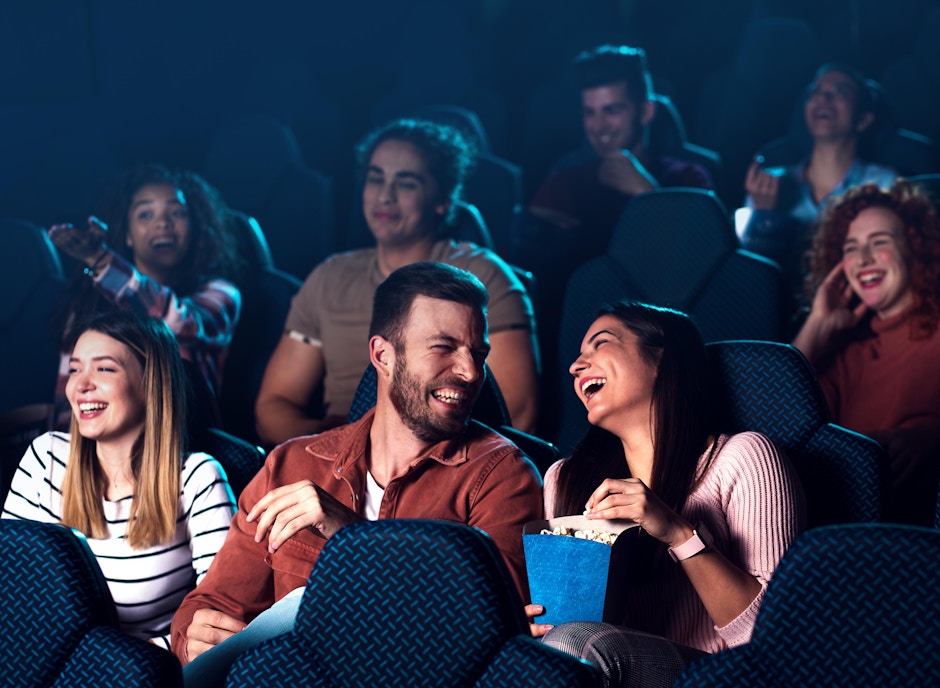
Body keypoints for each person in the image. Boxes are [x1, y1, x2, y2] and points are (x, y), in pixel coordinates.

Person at [173, 262, 543, 680]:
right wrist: (195, 635)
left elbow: (490, 640)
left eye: (478, 354)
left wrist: (354, 539)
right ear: (383, 355)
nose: (471, 372)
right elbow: (209, 606)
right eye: (444, 347)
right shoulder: (291, 464)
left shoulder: (502, 475)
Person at [529, 300, 804, 688]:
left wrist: (678, 532)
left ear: (661, 359)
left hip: (722, 678)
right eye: (577, 355)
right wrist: (536, 623)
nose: (576, 365)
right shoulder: (564, 479)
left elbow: (775, 640)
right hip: (606, 673)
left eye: (600, 344)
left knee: (575, 643)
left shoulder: (743, 458)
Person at [255, 118, 539, 444]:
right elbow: (274, 406)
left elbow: (518, 416)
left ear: (442, 200)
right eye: (376, 179)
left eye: (406, 183)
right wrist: (335, 446)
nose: (385, 196)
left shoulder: (483, 277)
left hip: (446, 462)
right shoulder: (329, 277)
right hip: (338, 458)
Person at [792, 179, 940, 524]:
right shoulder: (847, 354)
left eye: (880, 242)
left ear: (917, 250)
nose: (864, 259)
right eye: (851, 248)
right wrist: (818, 323)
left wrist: (932, 437)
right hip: (851, 526)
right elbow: (776, 419)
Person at [2, 311, 236, 649]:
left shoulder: (197, 477)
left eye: (104, 368)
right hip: (50, 664)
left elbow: (218, 624)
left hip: (146, 673)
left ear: (151, 381)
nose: (81, 385)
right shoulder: (47, 457)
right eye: (75, 369)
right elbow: (11, 589)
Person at [48, 163, 243, 425]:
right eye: (146, 215)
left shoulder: (221, 293)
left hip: (184, 444)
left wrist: (102, 261)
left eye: (176, 213)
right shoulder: (87, 304)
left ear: (196, 227)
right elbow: (67, 405)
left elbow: (181, 326)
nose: (162, 223)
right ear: (127, 235)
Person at [529, 44, 714, 257]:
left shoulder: (687, 178)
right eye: (589, 113)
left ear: (646, 111)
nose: (598, 126)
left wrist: (646, 193)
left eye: (612, 110)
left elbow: (703, 255)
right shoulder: (564, 182)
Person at [739, 63, 898, 299]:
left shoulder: (883, 184)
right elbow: (749, 278)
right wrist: (765, 219)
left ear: (863, 120)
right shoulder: (770, 185)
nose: (823, 98)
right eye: (815, 92)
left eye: (839, 92)